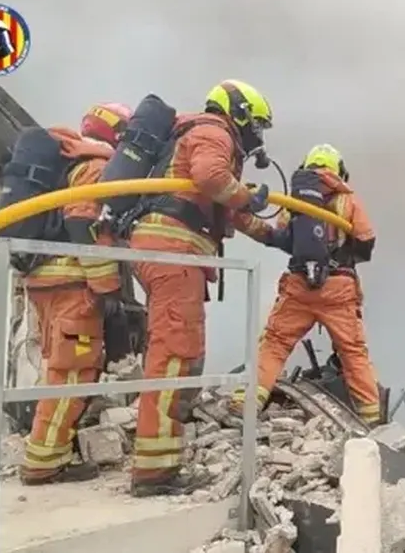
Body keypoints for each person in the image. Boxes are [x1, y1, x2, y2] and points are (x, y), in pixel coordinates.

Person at [126, 79, 277, 497]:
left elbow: (227, 211)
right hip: (172, 251)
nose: (257, 137)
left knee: (183, 349)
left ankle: (164, 452)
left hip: (173, 252)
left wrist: (273, 234)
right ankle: (154, 471)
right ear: (240, 113)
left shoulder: (202, 135)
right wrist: (248, 196)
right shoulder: (213, 130)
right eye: (258, 126)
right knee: (173, 353)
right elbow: (212, 178)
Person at [20, 102, 133, 485]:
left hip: (43, 282)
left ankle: (50, 448)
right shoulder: (96, 167)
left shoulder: (66, 163)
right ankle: (44, 463)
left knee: (59, 367)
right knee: (73, 372)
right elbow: (83, 222)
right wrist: (107, 288)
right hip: (71, 284)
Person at [232, 144, 382, 426]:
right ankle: (372, 419)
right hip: (339, 288)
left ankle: (246, 402)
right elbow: (365, 240)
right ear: (339, 170)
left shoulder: (296, 199)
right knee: (353, 352)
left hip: (299, 286)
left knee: (275, 344)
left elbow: (282, 235)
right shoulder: (347, 201)